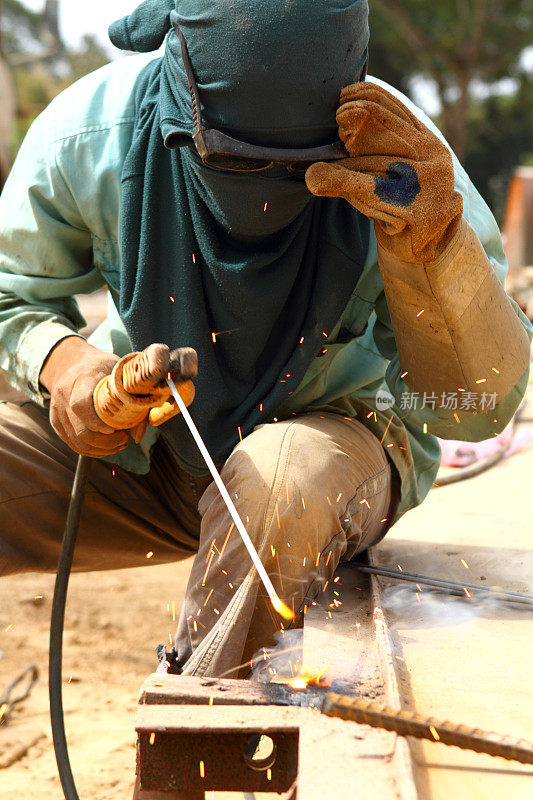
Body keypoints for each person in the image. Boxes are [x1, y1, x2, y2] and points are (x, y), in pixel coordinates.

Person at [0, 0, 531, 680]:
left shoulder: (407, 171)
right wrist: (68, 369)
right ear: (178, 77)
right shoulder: (88, 136)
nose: (262, 190)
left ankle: (189, 733)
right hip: (146, 449)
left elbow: (474, 410)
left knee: (279, 479)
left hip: (323, 457)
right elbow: (14, 293)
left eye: (295, 167)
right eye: (233, 160)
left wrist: (433, 253)